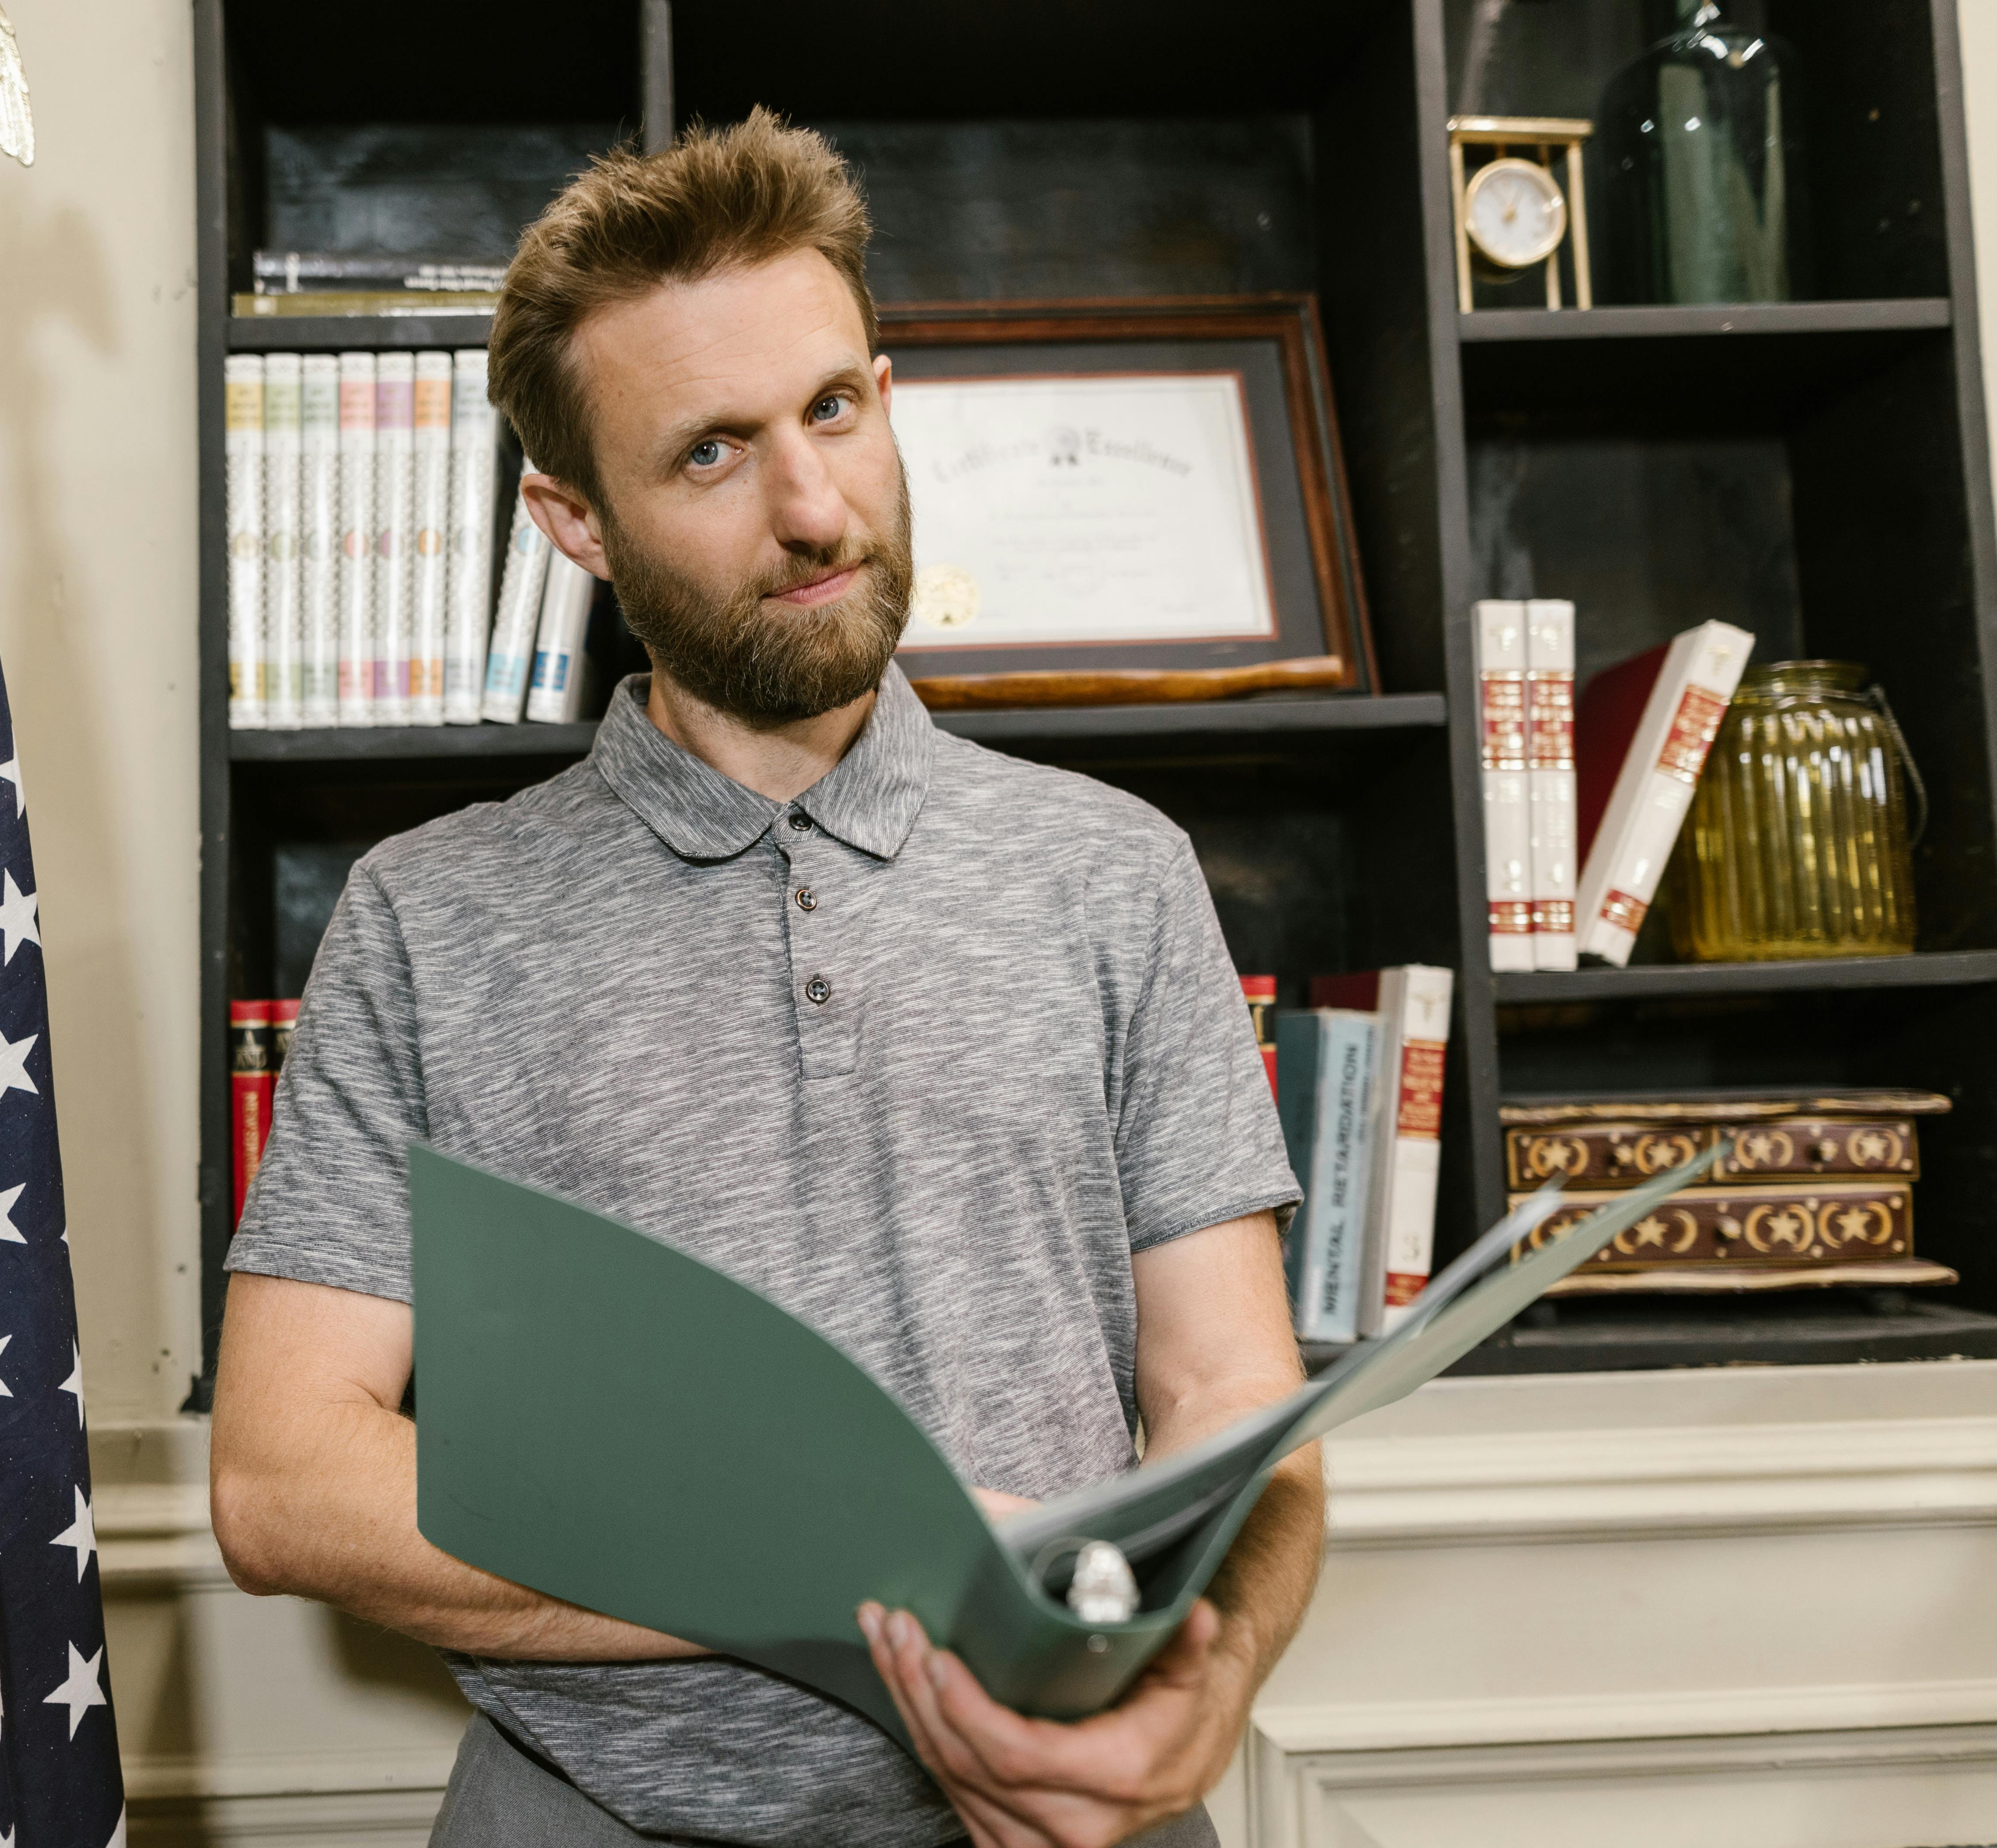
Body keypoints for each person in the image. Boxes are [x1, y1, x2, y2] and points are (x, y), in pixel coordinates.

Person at [209, 109, 1323, 1848]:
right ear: (574, 520)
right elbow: (286, 1481)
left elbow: (1232, 1401)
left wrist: (1220, 1668)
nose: (815, 509)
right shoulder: (431, 920)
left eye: (834, 411)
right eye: (712, 454)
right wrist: (891, 1565)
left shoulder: (1115, 874)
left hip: (1070, 1814)